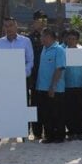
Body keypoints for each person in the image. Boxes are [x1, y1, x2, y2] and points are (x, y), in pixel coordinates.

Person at [35, 28, 66, 143]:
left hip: (55, 89)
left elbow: (59, 69)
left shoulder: (59, 50)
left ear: (50, 37)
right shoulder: (44, 49)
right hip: (42, 88)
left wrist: (53, 86)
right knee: (46, 114)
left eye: (43, 36)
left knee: (57, 113)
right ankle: (49, 136)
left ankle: (59, 136)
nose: (41, 39)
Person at [63, 29, 82, 140]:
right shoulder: (62, 51)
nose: (71, 41)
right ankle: (71, 131)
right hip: (68, 85)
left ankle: (80, 131)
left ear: (77, 40)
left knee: (81, 109)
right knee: (69, 110)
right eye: (69, 39)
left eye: (73, 39)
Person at [28, 10, 47, 140]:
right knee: (34, 104)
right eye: (39, 20)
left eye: (44, 20)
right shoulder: (28, 39)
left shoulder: (50, 37)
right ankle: (36, 132)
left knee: (48, 105)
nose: (41, 23)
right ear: (34, 22)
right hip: (34, 77)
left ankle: (48, 130)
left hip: (47, 76)